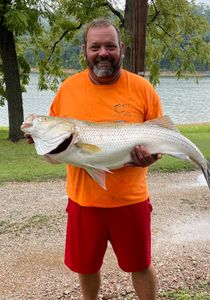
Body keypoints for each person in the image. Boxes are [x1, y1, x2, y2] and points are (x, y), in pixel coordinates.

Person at [27, 19, 163, 300]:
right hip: (83, 201)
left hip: (131, 200)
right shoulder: (68, 89)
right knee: (86, 267)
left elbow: (159, 142)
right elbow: (58, 147)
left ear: (121, 49)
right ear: (85, 51)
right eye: (95, 46)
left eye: (110, 46)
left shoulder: (142, 89)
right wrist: (42, 140)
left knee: (140, 264)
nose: (103, 52)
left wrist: (153, 156)